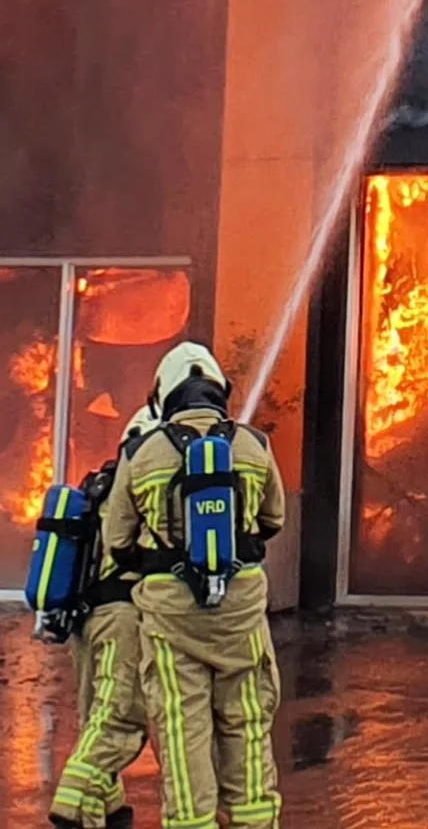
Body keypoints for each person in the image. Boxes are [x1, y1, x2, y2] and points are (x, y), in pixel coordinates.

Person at [102, 343, 286, 829]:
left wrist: (156, 561)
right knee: (247, 723)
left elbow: (116, 538)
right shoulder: (254, 445)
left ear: (164, 396)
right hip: (241, 616)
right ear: (220, 392)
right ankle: (255, 820)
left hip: (170, 618)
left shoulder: (142, 452)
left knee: (183, 731)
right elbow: (274, 519)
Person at [47, 405, 160, 829]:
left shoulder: (97, 485)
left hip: (85, 621)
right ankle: (73, 804)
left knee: (95, 714)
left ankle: (107, 812)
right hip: (122, 619)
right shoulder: (139, 488)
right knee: (123, 714)